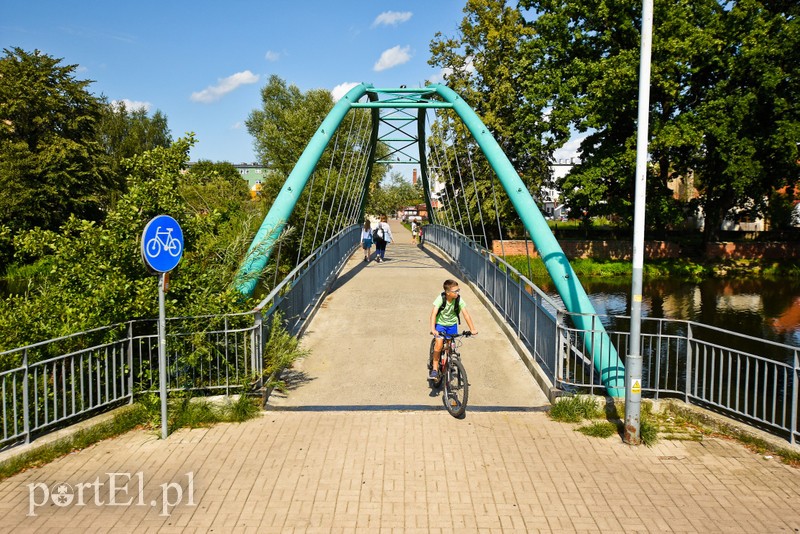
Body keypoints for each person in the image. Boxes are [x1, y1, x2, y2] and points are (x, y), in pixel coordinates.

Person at [429, 279, 477, 380]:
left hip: (452, 325)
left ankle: (449, 363)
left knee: (449, 347)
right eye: (455, 291)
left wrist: (472, 329)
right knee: (438, 345)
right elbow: (433, 314)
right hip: (440, 325)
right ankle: (434, 369)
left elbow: (466, 314)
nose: (458, 293)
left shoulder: (458, 299)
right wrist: (433, 329)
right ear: (448, 292)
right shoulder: (441, 299)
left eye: (458, 290)